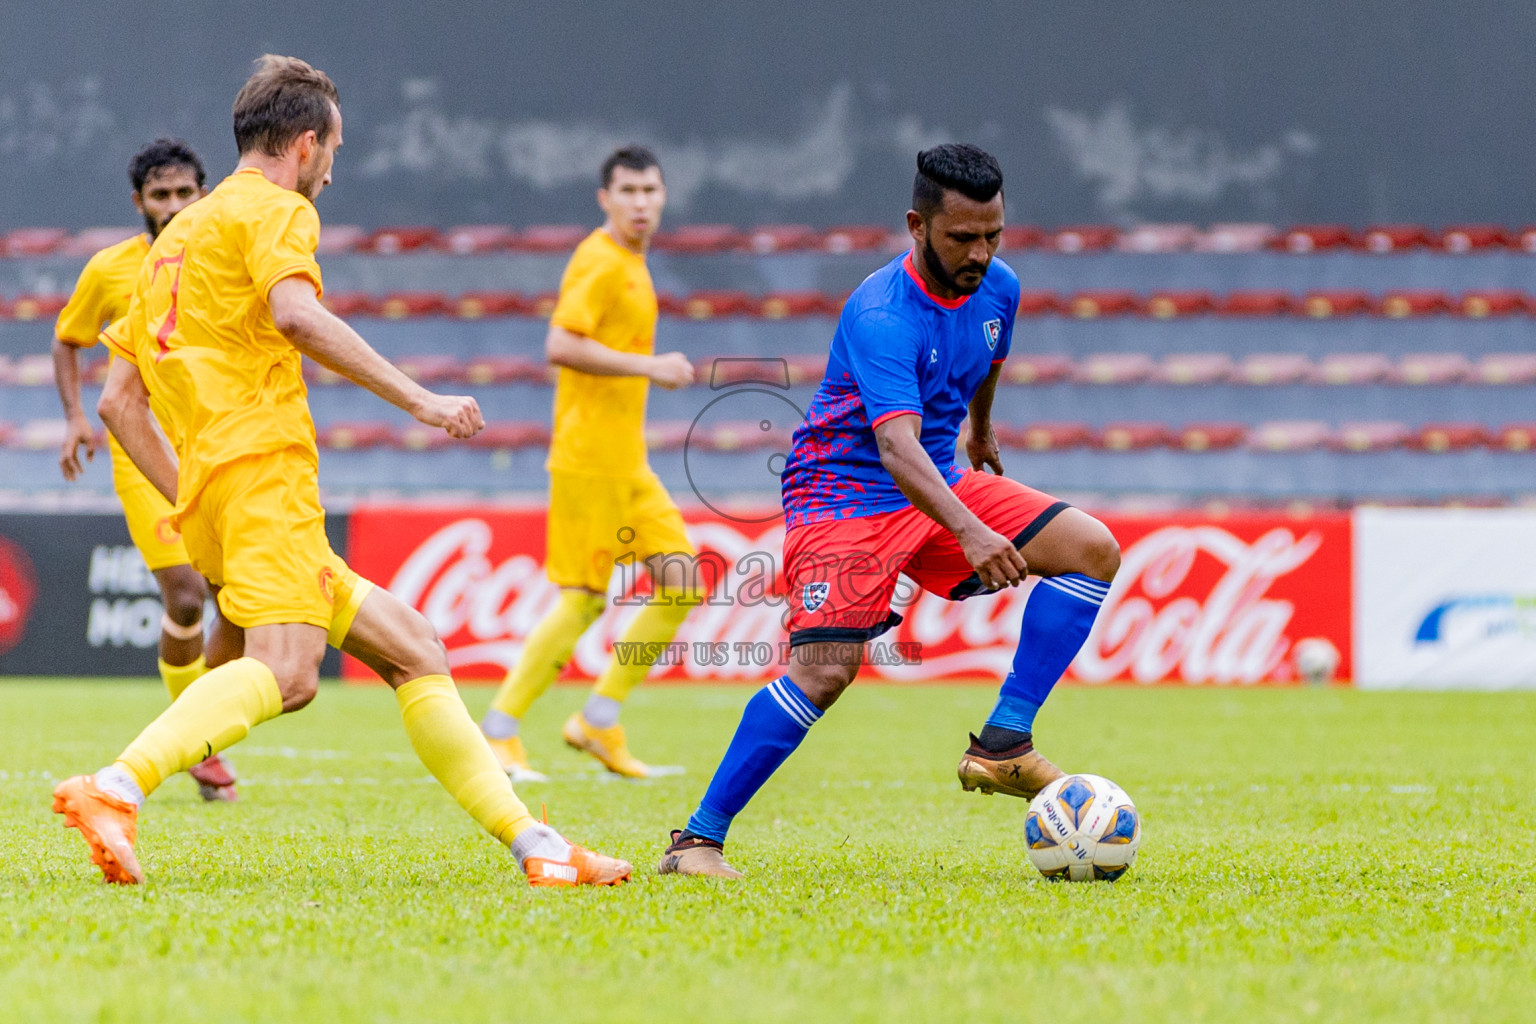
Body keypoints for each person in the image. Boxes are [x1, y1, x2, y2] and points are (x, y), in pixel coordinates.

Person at [50, 54, 630, 889]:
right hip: (265, 473)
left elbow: (117, 403)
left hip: (221, 489)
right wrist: (421, 400)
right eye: (335, 150)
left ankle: (537, 847)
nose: (333, 169)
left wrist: (193, 493)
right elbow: (296, 312)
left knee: (416, 649)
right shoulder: (276, 209)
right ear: (308, 143)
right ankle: (115, 786)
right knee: (288, 675)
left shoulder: (174, 240)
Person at [659, 144, 1121, 878]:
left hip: (935, 475)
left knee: (1091, 548)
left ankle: (1002, 744)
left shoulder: (999, 286)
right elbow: (895, 449)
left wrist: (984, 426)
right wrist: (969, 531)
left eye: (992, 235)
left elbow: (989, 354)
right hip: (843, 495)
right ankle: (696, 843)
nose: (979, 252)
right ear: (916, 225)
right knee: (824, 673)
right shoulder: (881, 313)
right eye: (960, 237)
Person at [479, 146, 700, 781]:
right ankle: (498, 733)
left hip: (628, 463)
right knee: (582, 601)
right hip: (588, 459)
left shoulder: (632, 263)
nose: (640, 202)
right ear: (604, 198)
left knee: (683, 583)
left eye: (649, 190)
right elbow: (559, 344)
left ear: (662, 197)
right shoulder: (599, 260)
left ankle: (598, 722)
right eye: (627, 190)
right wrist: (650, 366)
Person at [51, 138, 237, 802]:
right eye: (161, 195)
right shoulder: (111, 270)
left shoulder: (220, 257)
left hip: (214, 441)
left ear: (204, 193)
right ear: (140, 203)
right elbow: (68, 338)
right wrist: (76, 416)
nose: (175, 205)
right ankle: (200, 752)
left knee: (230, 599)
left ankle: (200, 728)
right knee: (186, 594)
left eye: (186, 192)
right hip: (141, 448)